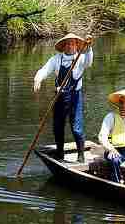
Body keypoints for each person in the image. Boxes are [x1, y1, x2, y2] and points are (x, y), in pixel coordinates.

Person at [33, 33, 94, 162]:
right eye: (67, 43)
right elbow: (44, 70)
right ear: (63, 46)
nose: (70, 46)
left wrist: (88, 48)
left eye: (72, 43)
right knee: (57, 127)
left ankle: (81, 156)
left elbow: (89, 62)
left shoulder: (81, 58)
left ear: (76, 45)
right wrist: (38, 79)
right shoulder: (56, 59)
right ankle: (60, 154)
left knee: (77, 128)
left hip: (75, 97)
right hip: (60, 97)